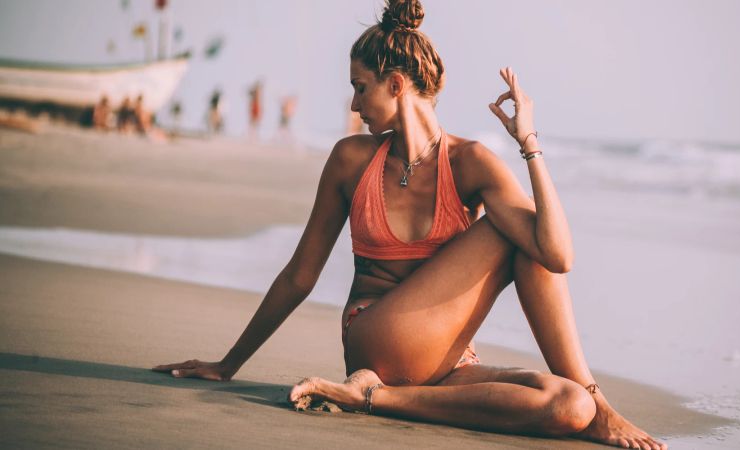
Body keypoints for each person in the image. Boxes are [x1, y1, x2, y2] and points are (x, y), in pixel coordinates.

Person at [153, 1, 665, 449]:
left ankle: (378, 397)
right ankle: (604, 408)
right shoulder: (352, 159)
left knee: (567, 406)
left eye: (360, 88)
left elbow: (558, 255)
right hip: (376, 335)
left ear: (395, 85)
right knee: (516, 237)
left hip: (444, 366)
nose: (354, 105)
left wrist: (529, 144)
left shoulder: (470, 163)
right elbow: (300, 275)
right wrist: (229, 363)